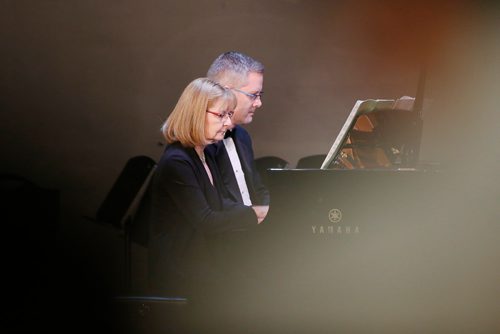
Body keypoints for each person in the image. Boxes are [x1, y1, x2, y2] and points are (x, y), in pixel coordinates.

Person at [148, 78, 267, 301]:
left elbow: (220, 204)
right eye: (221, 115)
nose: (228, 123)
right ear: (195, 114)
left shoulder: (204, 153)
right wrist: (255, 215)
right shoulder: (177, 161)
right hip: (180, 276)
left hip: (201, 267)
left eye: (230, 115)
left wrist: (264, 212)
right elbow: (206, 219)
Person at [206, 52, 270, 216]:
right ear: (227, 92)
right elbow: (214, 208)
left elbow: (257, 188)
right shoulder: (202, 142)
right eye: (253, 95)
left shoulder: (242, 136)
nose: (259, 103)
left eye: (260, 95)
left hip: (250, 230)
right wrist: (255, 216)